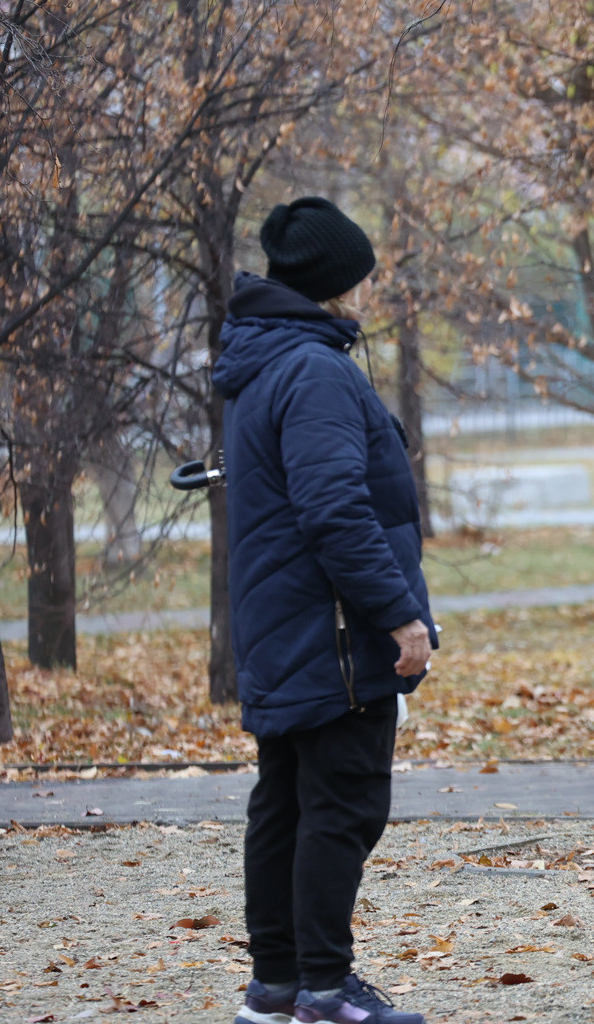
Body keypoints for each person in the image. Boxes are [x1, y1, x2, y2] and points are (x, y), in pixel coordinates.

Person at [215, 197, 436, 1024]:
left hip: (287, 627)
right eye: (364, 275)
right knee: (339, 805)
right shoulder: (313, 371)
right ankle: (323, 988)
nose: (372, 288)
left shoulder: (264, 361)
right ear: (338, 285)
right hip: (334, 633)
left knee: (286, 804)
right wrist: (400, 615)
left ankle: (276, 988)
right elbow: (335, 509)